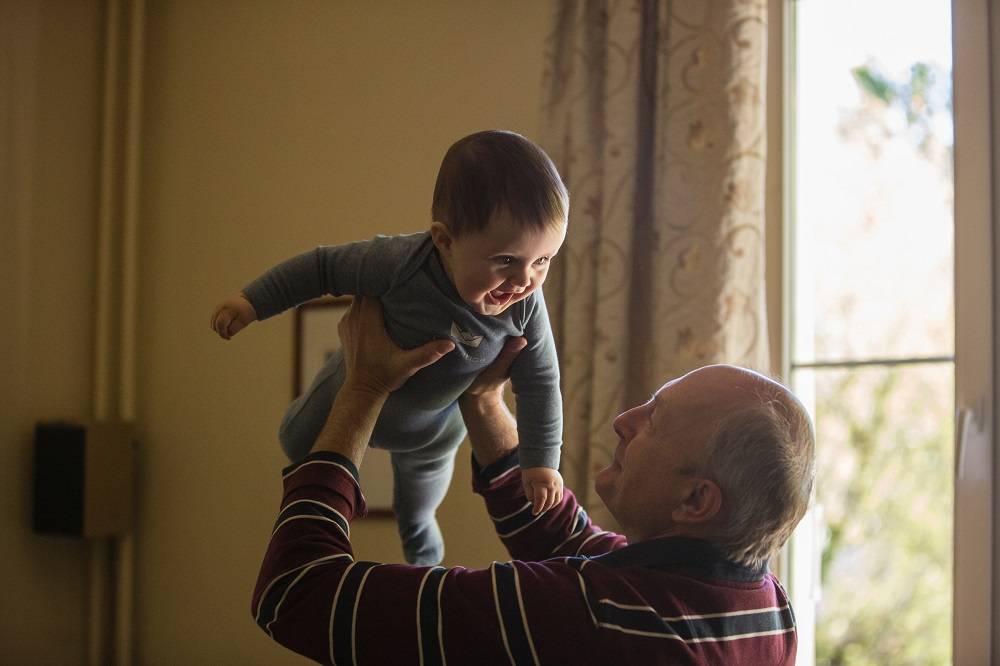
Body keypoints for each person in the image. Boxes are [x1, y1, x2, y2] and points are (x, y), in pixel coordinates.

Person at [252, 296, 816, 665]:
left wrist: (364, 388)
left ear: (696, 500)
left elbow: (297, 593)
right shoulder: (764, 608)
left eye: (654, 420)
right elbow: (566, 538)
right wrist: (483, 398)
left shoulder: (588, 617)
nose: (625, 421)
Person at [211, 130, 568, 565]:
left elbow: (541, 382)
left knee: (418, 508)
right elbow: (321, 268)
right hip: (351, 387)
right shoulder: (399, 262)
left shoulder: (526, 306)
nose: (525, 280)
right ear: (445, 241)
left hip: (433, 431)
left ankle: (423, 561)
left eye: (543, 260)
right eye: (506, 260)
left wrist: (541, 462)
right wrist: (251, 302)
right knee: (295, 442)